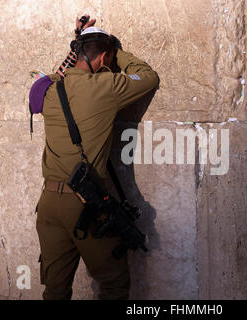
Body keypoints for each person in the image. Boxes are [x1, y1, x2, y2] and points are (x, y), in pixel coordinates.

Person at [34, 16, 159, 300]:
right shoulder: (106, 88)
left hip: (48, 205)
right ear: (104, 58)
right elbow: (147, 75)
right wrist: (116, 49)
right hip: (82, 204)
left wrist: (78, 43)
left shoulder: (52, 91)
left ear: (76, 54)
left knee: (55, 290)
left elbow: (55, 76)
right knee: (114, 284)